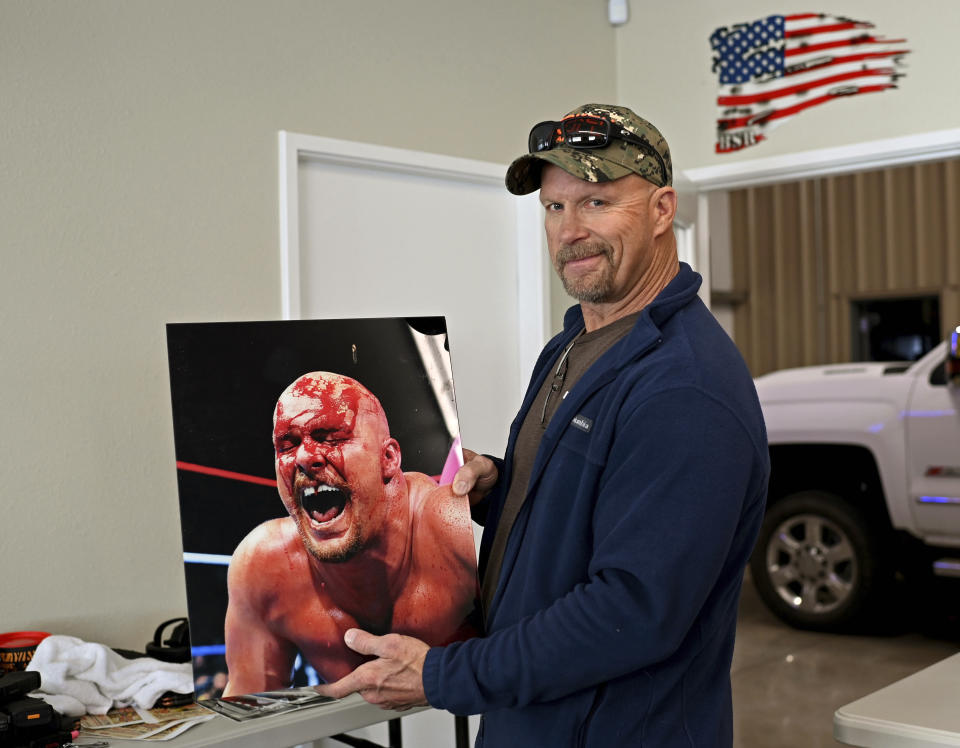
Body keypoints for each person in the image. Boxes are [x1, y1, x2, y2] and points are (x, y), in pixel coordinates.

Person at [315, 104, 770, 747]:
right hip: (533, 720)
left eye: (597, 202)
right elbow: (591, 514)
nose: (570, 230)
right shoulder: (574, 344)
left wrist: (445, 673)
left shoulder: (685, 389)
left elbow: (631, 613)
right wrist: (497, 488)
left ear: (663, 209)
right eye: (555, 208)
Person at [221, 371, 480, 696]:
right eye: (287, 445)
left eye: (330, 437)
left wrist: (442, 676)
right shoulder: (264, 567)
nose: (303, 457)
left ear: (388, 458)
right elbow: (249, 717)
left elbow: (545, 650)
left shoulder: (452, 527)